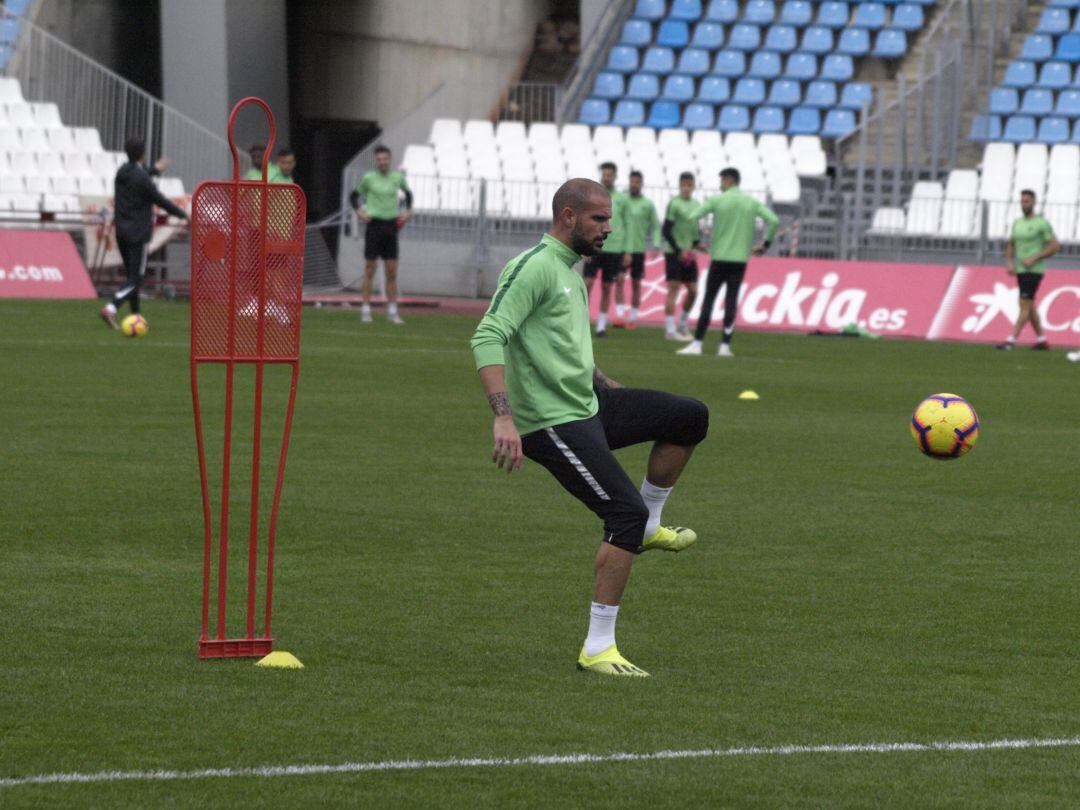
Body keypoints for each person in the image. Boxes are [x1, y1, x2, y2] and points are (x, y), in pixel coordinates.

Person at [470, 178, 709, 678]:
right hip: (550, 423)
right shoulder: (533, 267)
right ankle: (598, 647)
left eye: (610, 219)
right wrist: (504, 416)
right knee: (621, 514)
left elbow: (560, 339)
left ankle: (650, 523)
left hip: (587, 404)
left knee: (689, 416)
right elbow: (487, 336)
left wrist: (599, 378)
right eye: (600, 219)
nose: (609, 229)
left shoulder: (568, 271)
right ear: (568, 217)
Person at [677, 168, 778, 358]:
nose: (720, 184)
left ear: (728, 180)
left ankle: (697, 343)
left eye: (722, 180)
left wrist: (695, 240)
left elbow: (692, 218)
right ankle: (724, 346)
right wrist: (765, 244)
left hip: (720, 257)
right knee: (731, 301)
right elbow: (773, 220)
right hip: (740, 260)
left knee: (709, 299)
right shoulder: (751, 202)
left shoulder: (718, 200)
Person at [99, 137, 189, 329]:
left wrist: (155, 170)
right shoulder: (142, 178)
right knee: (137, 278)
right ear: (143, 154)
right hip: (138, 233)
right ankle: (112, 307)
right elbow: (159, 199)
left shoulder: (122, 172)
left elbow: (140, 175)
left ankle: (136, 317)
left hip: (122, 231)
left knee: (132, 277)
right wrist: (183, 214)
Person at [350, 144, 413, 325]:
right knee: (370, 269)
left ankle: (392, 311)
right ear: (375, 161)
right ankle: (365, 309)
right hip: (374, 225)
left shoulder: (397, 177)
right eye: (379, 159)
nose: (382, 162)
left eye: (385, 159)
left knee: (391, 271)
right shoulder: (368, 178)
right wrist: (359, 212)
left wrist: (408, 211)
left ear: (390, 159)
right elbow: (354, 196)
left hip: (391, 226)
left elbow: (408, 194)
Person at [997, 189, 1059, 351]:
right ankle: (1042, 340)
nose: (1024, 204)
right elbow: (1011, 243)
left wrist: (1035, 257)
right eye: (1022, 201)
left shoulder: (1041, 223)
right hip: (1021, 270)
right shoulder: (1017, 223)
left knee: (1024, 303)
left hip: (1034, 270)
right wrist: (1009, 262)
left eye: (1027, 201)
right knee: (1029, 305)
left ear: (1034, 202)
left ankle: (1011, 340)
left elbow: (1054, 246)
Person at [581, 162, 626, 337]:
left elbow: (626, 224)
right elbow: (585, 220)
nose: (607, 177)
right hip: (593, 244)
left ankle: (601, 326)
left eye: (610, 175)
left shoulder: (621, 198)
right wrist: (584, 245)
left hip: (614, 249)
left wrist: (626, 250)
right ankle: (580, 322)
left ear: (615, 177)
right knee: (587, 285)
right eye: (604, 174)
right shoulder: (592, 196)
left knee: (607, 287)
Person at [662, 172, 706, 341]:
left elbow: (694, 233)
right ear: (680, 186)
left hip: (689, 254)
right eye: (684, 185)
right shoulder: (674, 204)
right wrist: (678, 250)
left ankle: (682, 324)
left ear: (693, 187)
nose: (687, 188)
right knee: (673, 289)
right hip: (674, 253)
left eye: (689, 185)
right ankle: (670, 330)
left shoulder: (697, 205)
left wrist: (697, 245)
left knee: (693, 291)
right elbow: (666, 230)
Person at [618, 170, 661, 329]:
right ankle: (620, 316)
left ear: (641, 184)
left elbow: (656, 226)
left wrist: (656, 245)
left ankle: (633, 318)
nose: (634, 184)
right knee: (620, 280)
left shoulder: (647, 204)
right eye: (632, 181)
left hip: (639, 249)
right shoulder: (622, 201)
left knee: (636, 283)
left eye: (637, 182)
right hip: (622, 248)